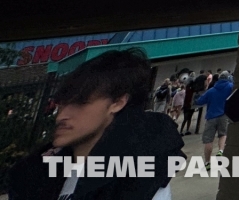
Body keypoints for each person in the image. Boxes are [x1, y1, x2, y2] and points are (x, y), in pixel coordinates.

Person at [7, 48, 185, 200]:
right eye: (62, 103)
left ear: (117, 103)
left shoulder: (139, 182)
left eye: (80, 102)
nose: (62, 116)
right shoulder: (37, 174)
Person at [194, 71, 233, 168]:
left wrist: (196, 97)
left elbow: (199, 101)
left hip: (211, 116)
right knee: (223, 135)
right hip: (224, 115)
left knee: (208, 140)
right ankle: (220, 151)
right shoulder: (230, 86)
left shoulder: (211, 90)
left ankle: (207, 163)